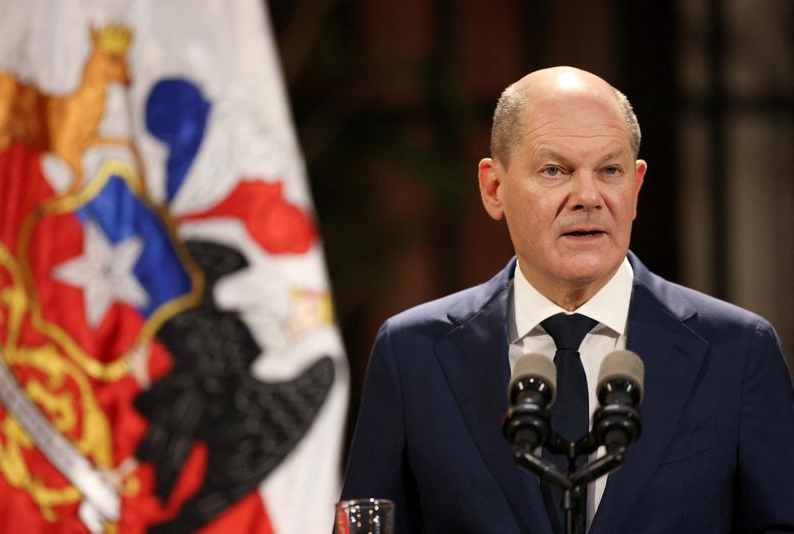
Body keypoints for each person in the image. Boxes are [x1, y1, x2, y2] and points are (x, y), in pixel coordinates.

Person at [340, 66, 794, 534]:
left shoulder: (737, 351)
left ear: (636, 187)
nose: (587, 196)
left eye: (609, 170)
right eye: (554, 170)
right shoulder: (412, 353)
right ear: (493, 188)